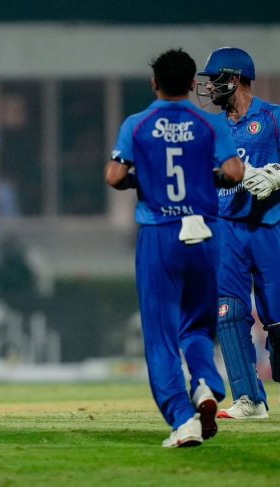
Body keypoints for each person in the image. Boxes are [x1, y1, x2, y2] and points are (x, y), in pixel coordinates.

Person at [105, 48, 244, 447]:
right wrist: (205, 176)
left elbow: (114, 175)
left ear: (155, 83)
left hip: (161, 233)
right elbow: (234, 172)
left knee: (161, 334)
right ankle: (204, 384)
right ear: (191, 83)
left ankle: (182, 419)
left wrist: (143, 180)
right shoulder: (209, 122)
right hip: (204, 232)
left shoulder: (137, 124)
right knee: (198, 325)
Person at [197, 47, 280, 419]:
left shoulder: (273, 117)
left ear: (234, 78)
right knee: (227, 313)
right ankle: (249, 399)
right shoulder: (211, 129)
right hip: (227, 230)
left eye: (214, 79)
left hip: (270, 227)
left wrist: (277, 176)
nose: (208, 87)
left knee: (277, 316)